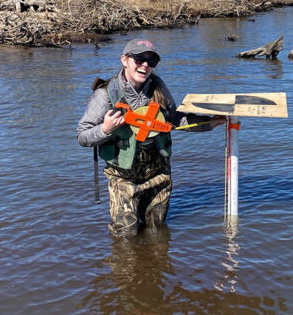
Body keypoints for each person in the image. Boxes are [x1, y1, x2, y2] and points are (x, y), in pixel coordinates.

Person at [77, 38, 224, 236]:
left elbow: (174, 119)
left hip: (158, 173)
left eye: (151, 62)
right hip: (123, 178)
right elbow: (82, 135)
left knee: (157, 234)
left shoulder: (158, 88)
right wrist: (105, 128)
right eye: (139, 59)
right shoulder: (105, 94)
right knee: (125, 236)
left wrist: (209, 123)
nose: (145, 65)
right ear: (124, 60)